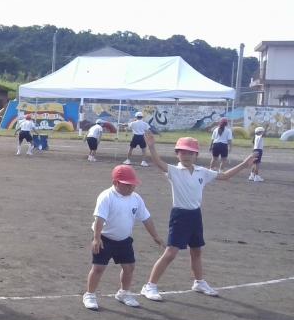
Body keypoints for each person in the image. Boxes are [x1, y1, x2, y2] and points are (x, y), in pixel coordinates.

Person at [139, 132, 254, 301]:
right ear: (177, 154)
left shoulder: (202, 172)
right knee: (170, 252)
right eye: (182, 152)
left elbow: (225, 176)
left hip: (195, 215)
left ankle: (199, 282)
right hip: (180, 216)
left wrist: (244, 164)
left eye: (190, 153)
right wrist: (152, 147)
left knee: (196, 251)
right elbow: (158, 162)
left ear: (196, 155)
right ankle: (150, 286)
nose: (186, 156)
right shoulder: (174, 171)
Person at [82, 165, 164, 310]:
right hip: (104, 239)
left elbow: (146, 218)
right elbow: (100, 219)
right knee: (98, 268)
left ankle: (123, 293)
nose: (131, 187)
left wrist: (155, 236)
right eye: (127, 185)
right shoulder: (106, 196)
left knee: (129, 267)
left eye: (133, 184)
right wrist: (96, 238)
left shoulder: (136, 198)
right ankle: (90, 295)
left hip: (124, 240)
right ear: (116, 183)